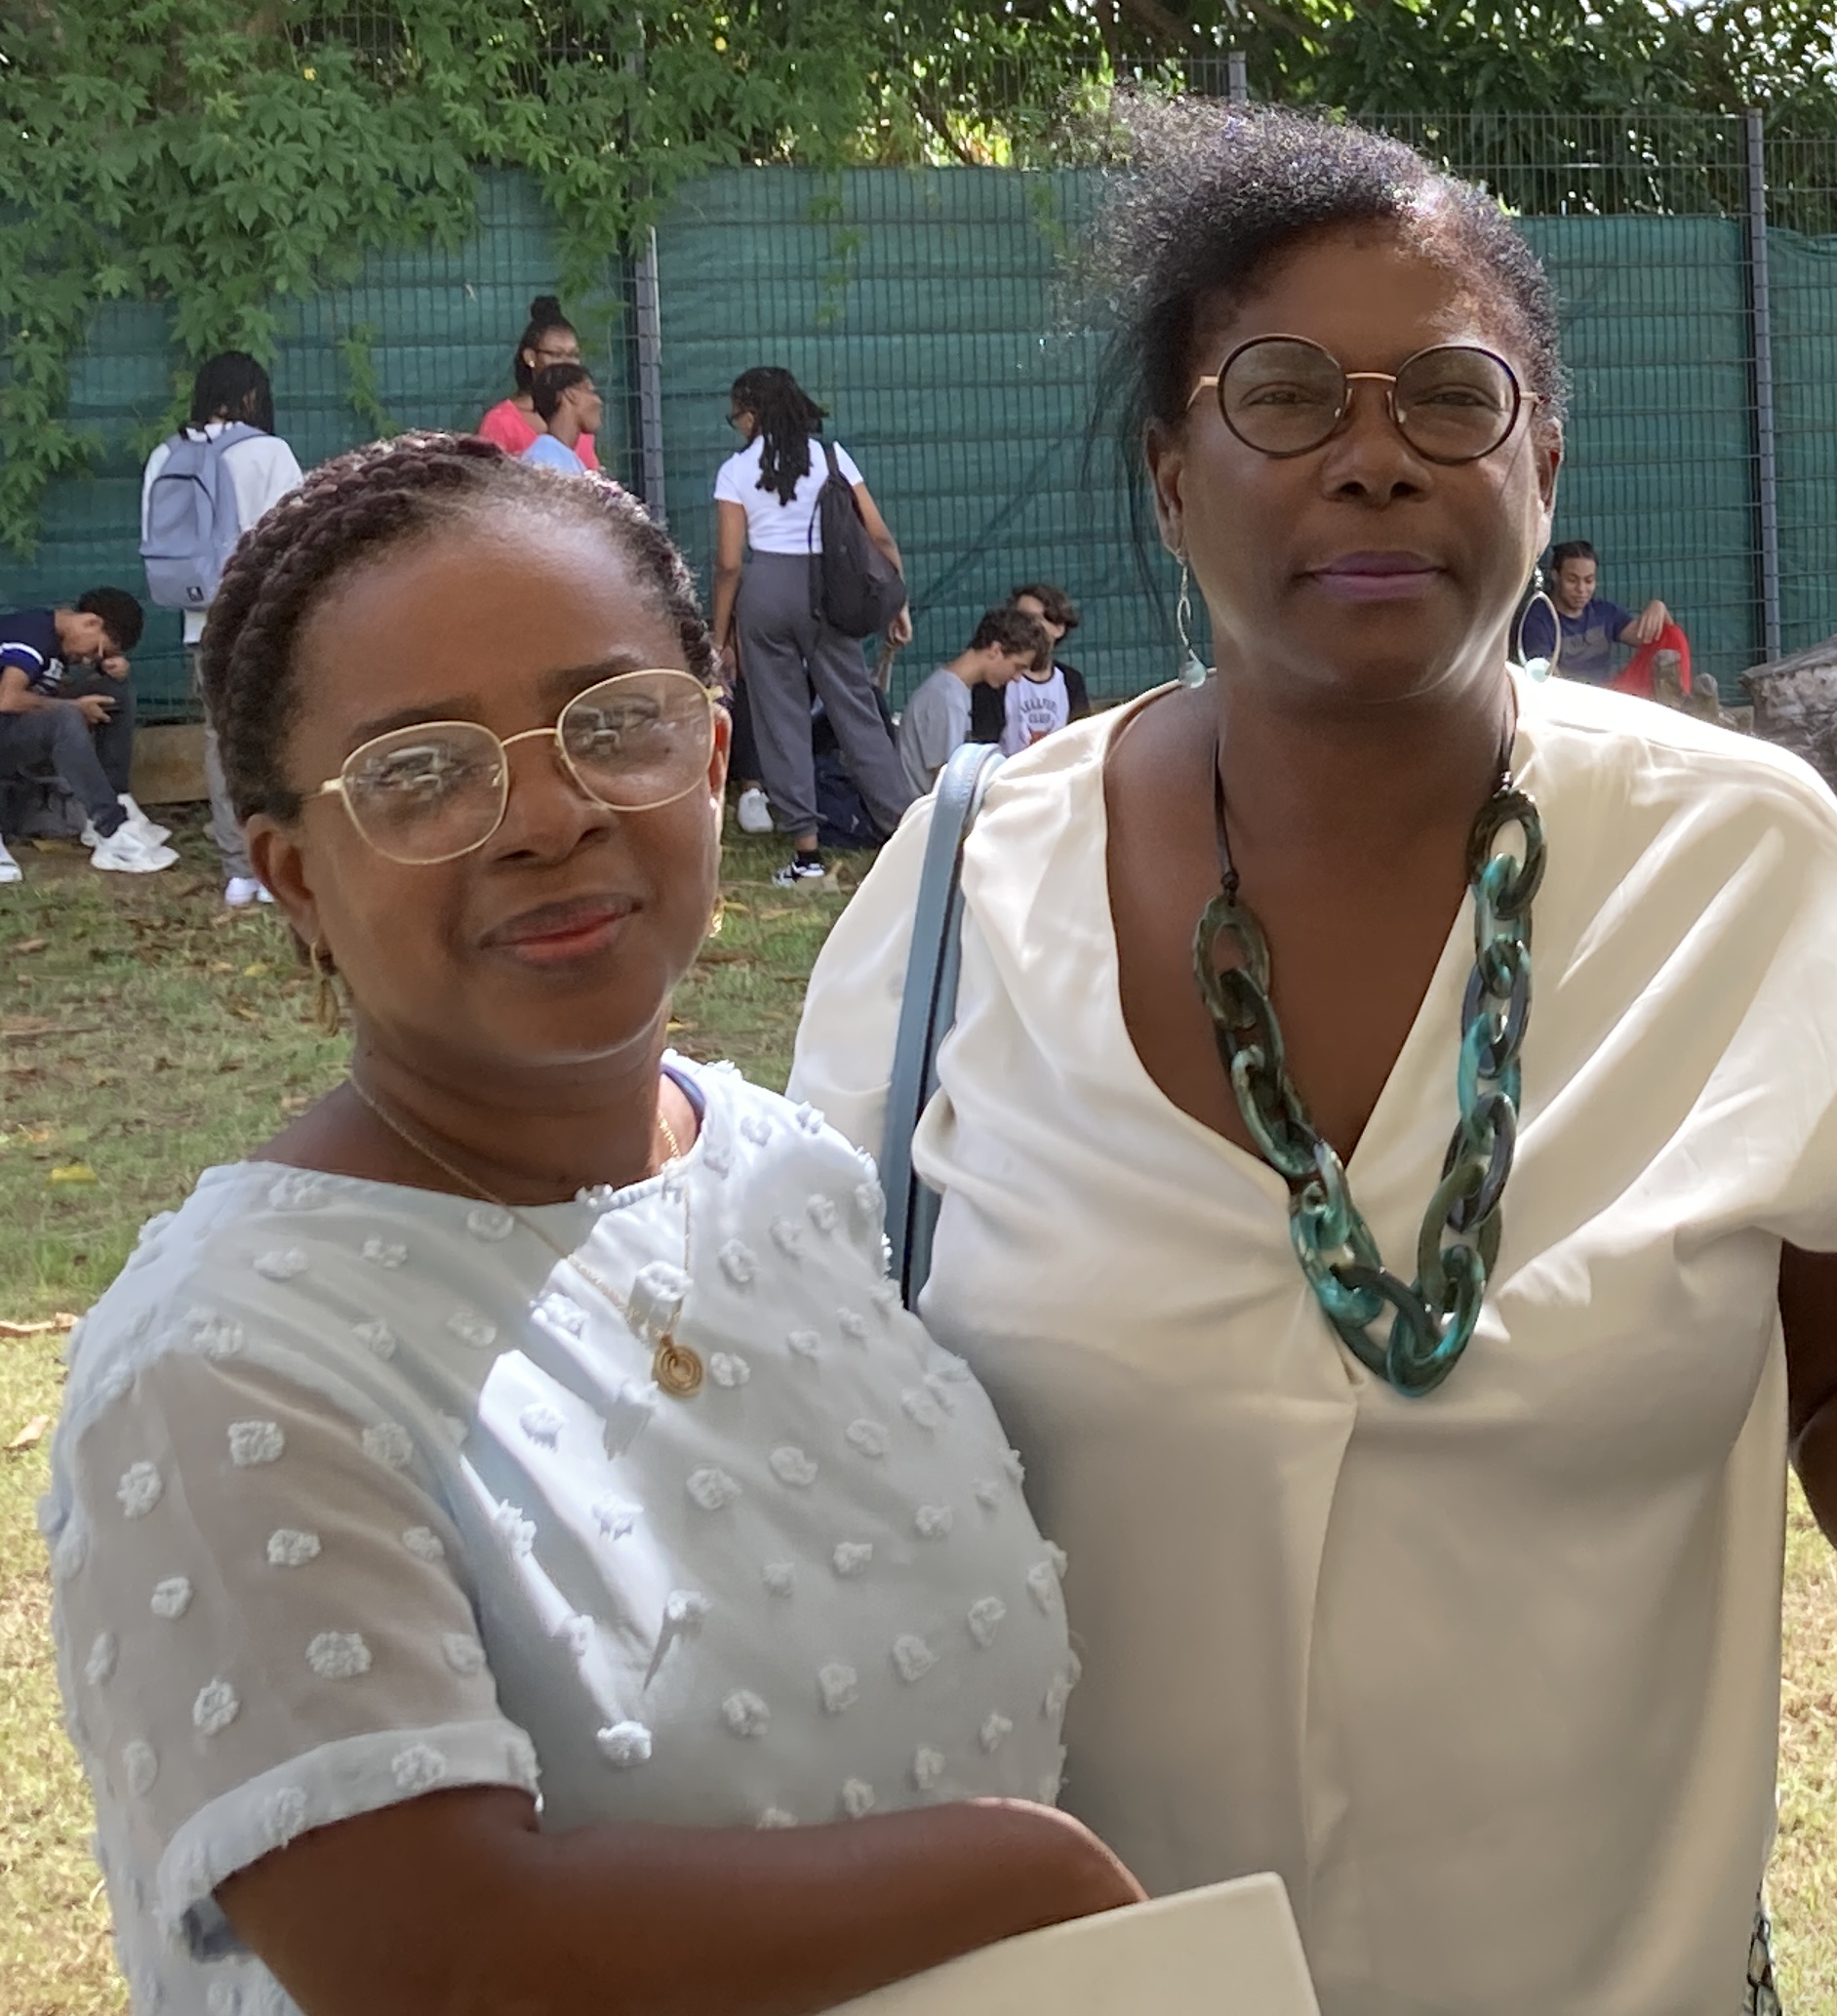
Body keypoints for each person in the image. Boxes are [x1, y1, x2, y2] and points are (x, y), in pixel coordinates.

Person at [791, 106, 1837, 2016]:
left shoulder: (1733, 863)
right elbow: (812, 1439)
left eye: (1447, 395)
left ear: (1542, 458)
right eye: (1283, 398)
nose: (1373, 456)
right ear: (1170, 477)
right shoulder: (965, 898)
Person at [41, 435, 1139, 2016]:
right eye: (421, 770)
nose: (547, 815)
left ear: (709, 753)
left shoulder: (786, 1175)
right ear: (294, 879)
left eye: (614, 725)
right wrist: (1024, 1882)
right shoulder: (227, 1364)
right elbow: (431, 1956)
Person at [704, 368, 911, 887]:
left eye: (737, 415)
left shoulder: (735, 470)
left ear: (752, 414)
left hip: (765, 590)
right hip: (827, 591)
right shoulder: (831, 458)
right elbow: (878, 535)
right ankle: (907, 835)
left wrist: (720, 635)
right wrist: (895, 599)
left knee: (780, 718)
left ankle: (806, 856)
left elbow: (729, 563)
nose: (737, 424)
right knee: (856, 711)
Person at [140, 351, 307, 905]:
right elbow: (294, 534)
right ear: (253, 396)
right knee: (278, 734)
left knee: (220, 740)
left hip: (200, 621)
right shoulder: (268, 452)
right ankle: (279, 861)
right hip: (263, 615)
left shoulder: (167, 453)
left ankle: (238, 871)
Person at [0, 588, 175, 880]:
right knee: (65, 716)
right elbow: (7, 699)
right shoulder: (33, 634)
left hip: (11, 732)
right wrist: (73, 707)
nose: (87, 660)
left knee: (112, 693)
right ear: (91, 622)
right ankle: (112, 829)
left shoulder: (56, 644)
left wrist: (108, 674)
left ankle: (118, 798)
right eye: (97, 651)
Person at [1514, 538, 1693, 699]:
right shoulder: (1540, 618)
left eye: (1588, 581)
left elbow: (1656, 638)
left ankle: (1677, 702)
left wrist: (1659, 607)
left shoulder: (1603, 612)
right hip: (1568, 700)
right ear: (1556, 576)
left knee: (1672, 634)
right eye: (1572, 580)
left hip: (1609, 696)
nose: (1581, 589)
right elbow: (1543, 673)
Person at [903, 608, 1049, 799]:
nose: (1017, 678)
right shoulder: (946, 698)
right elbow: (950, 784)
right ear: (995, 650)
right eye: (1018, 667)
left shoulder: (954, 691)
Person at [475, 298, 612, 481]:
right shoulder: (500, 421)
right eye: (556, 354)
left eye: (573, 355)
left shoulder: (580, 419)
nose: (567, 363)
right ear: (530, 357)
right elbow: (487, 484)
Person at [973, 583, 1091, 754]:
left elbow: (1082, 743)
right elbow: (984, 749)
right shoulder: (997, 679)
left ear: (1059, 628)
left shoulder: (1071, 681)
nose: (1026, 627)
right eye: (1019, 619)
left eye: (1033, 619)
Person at [513, 360, 605, 474]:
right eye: (591, 392)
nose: (599, 401)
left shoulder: (557, 454)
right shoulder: (546, 458)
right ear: (571, 394)